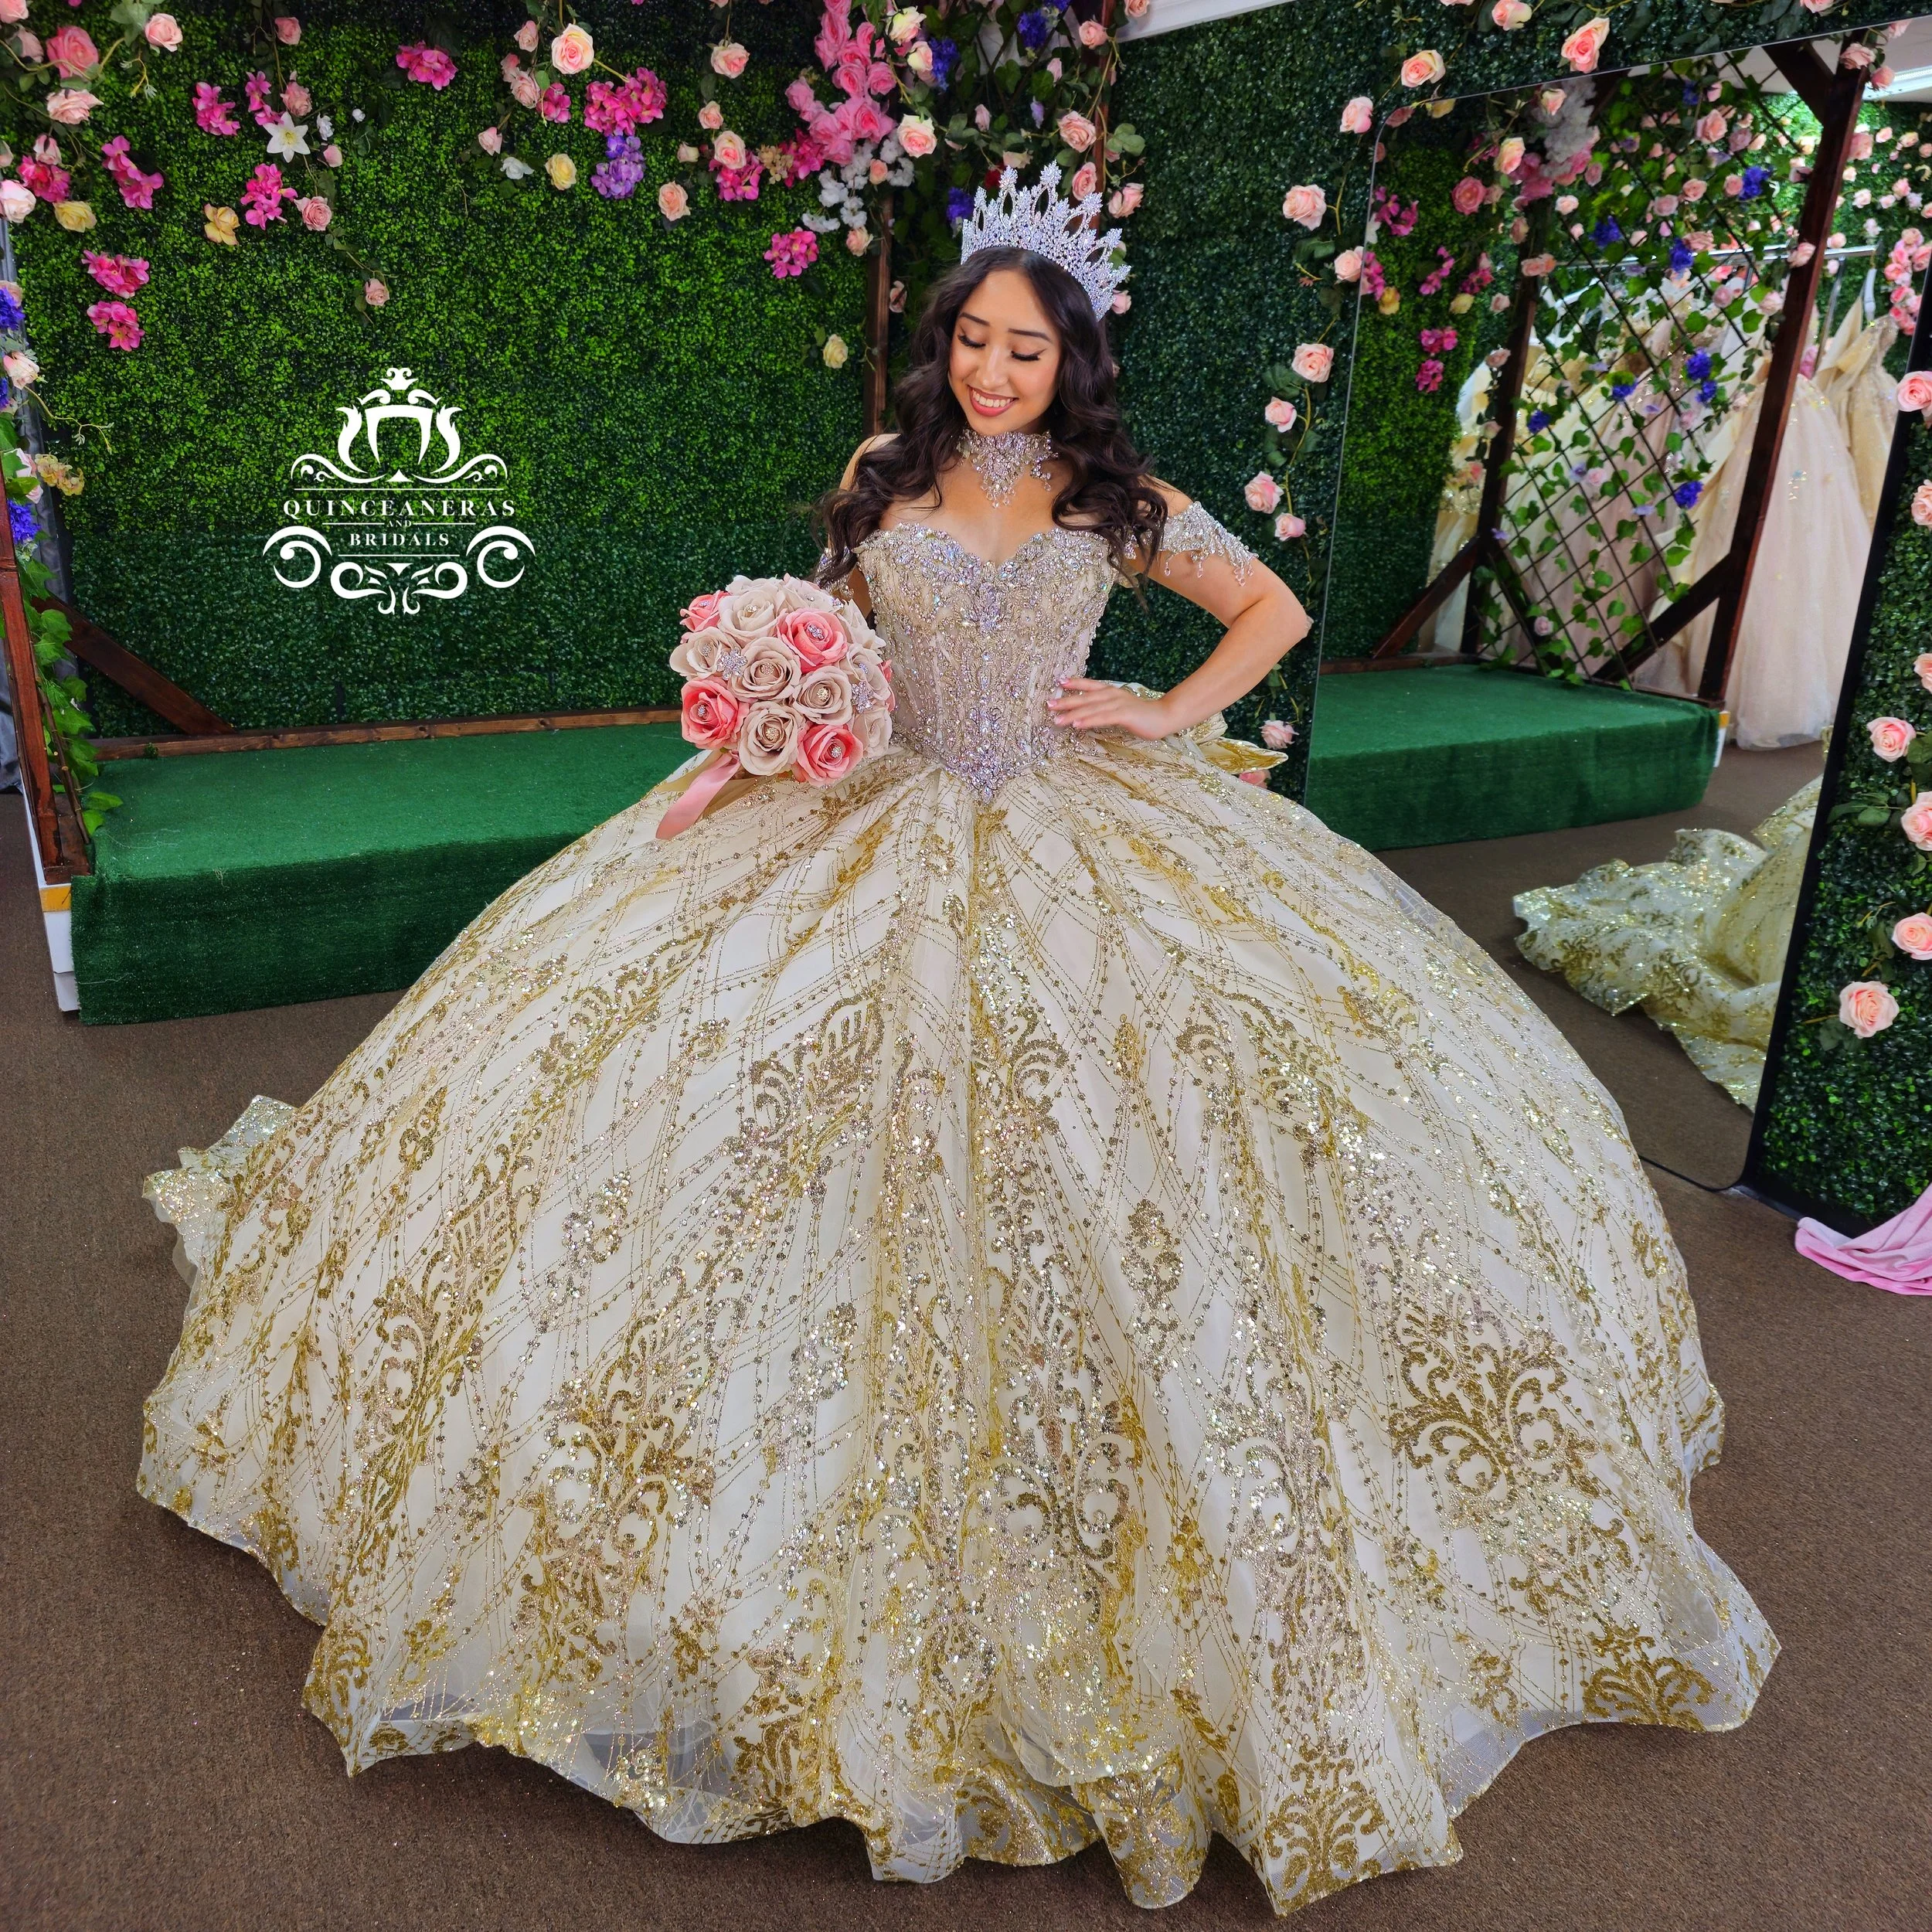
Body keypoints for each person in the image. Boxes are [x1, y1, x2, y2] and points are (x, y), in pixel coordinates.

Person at [139, 168, 1772, 1916]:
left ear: (1071, 362)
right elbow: (835, 652)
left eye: (1026, 349)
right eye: (974, 343)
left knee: (1184, 1111)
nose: (995, 374)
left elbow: (1273, 610)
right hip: (877, 811)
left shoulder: (1114, 493)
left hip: (1083, 817)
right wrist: (747, 743)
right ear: (945, 351)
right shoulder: (881, 478)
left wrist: (1163, 706)